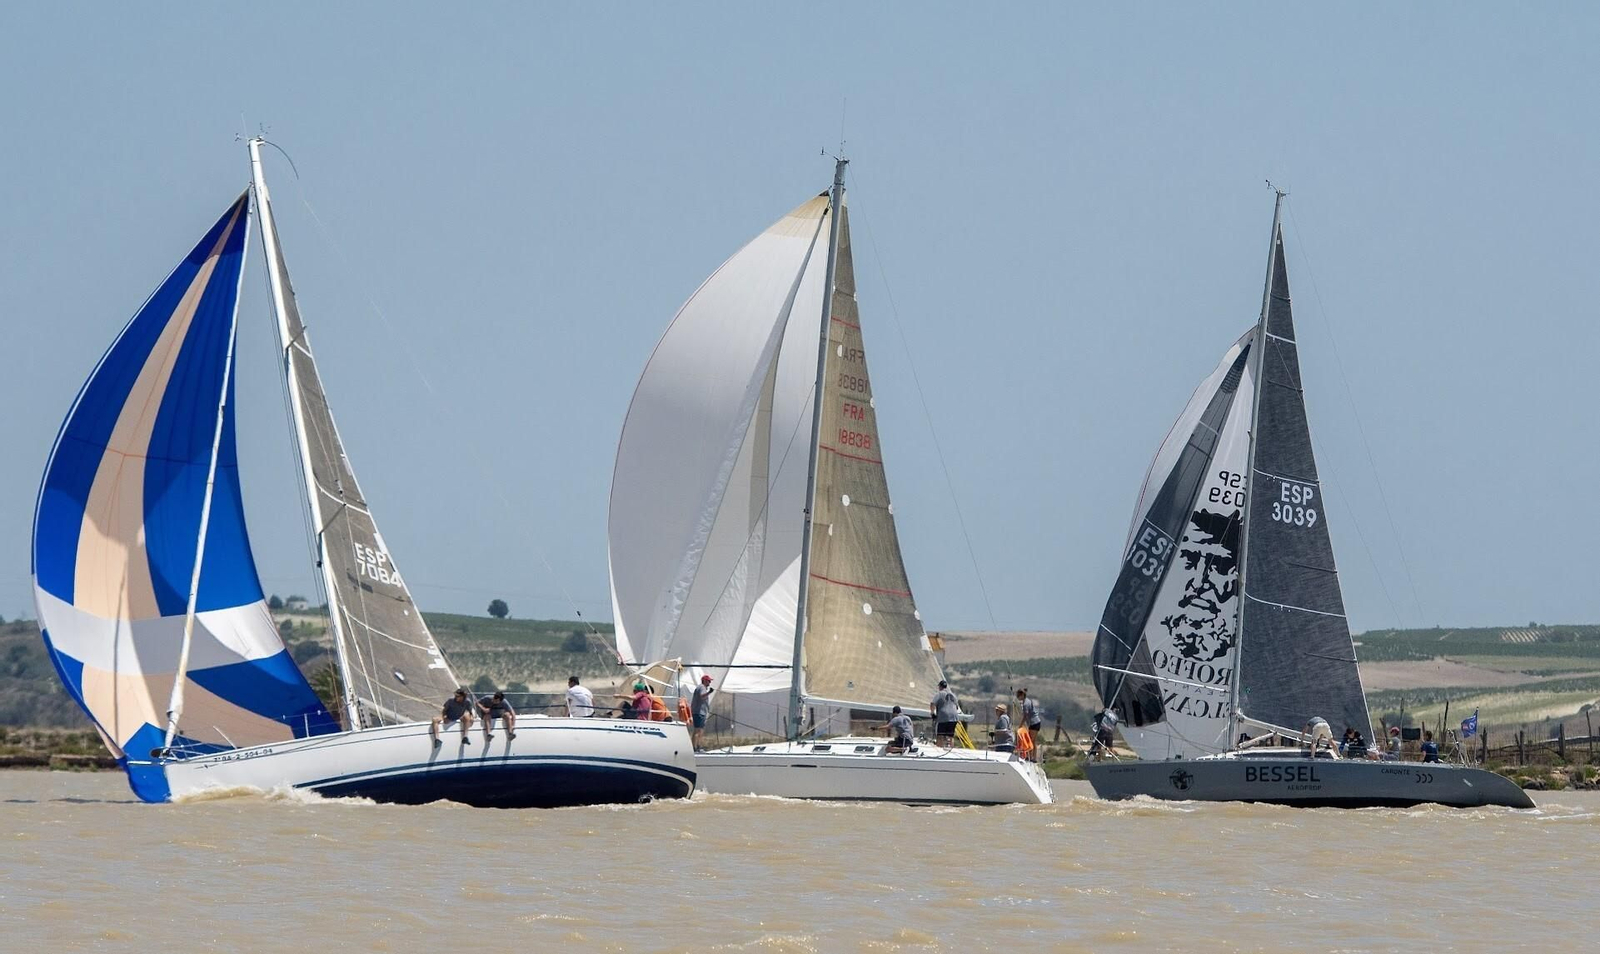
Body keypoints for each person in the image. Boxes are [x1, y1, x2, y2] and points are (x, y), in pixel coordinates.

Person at [929, 680, 960, 748]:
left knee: (940, 735)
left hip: (944, 716)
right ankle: (950, 749)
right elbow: (957, 707)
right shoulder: (953, 695)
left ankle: (939, 749)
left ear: (940, 687)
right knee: (950, 736)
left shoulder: (939, 694)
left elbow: (932, 704)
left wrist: (932, 713)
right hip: (954, 717)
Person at [1017, 689, 1042, 761]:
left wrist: (1020, 725)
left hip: (1034, 723)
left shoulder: (1025, 704)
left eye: (1018, 696)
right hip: (1035, 723)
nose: (1018, 697)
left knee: (1030, 741)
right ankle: (1032, 757)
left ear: (1022, 695)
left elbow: (1025, 715)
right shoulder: (1027, 701)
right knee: (1033, 741)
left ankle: (1031, 757)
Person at [691, 674, 715, 750]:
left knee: (697, 730)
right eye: (708, 681)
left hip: (699, 712)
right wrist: (709, 692)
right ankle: (697, 747)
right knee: (699, 730)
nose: (709, 683)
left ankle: (695, 747)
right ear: (704, 680)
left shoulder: (700, 687)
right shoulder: (702, 687)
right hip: (699, 712)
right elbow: (702, 696)